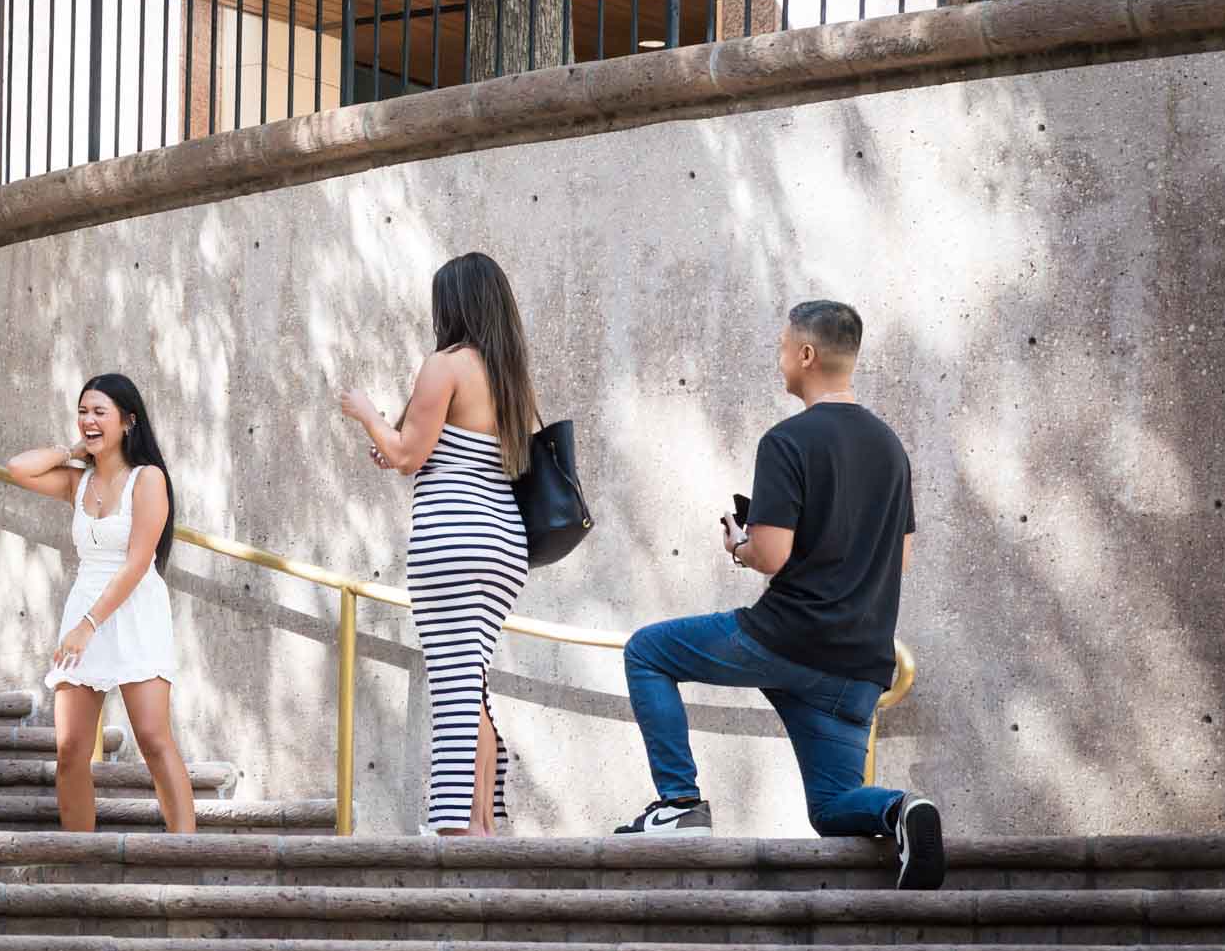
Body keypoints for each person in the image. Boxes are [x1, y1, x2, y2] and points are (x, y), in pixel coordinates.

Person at [616, 300, 944, 889]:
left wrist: (739, 543)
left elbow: (772, 555)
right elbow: (902, 557)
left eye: (782, 346)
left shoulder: (787, 442)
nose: (780, 357)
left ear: (807, 354)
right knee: (833, 805)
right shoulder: (891, 448)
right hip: (858, 666)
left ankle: (679, 803)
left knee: (647, 652)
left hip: (785, 639)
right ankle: (902, 809)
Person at [339, 252, 535, 836]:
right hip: (503, 542)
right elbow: (441, 453)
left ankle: (456, 828)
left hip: (452, 538)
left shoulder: (445, 366)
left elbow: (405, 455)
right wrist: (398, 443)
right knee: (471, 681)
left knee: (452, 684)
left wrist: (368, 415)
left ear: (451, 303)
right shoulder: (511, 378)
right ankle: (483, 824)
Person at [6, 374, 197, 834]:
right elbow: (18, 467)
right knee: (71, 747)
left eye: (100, 413)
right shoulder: (79, 482)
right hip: (84, 606)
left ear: (128, 421)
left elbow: (136, 563)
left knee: (152, 737)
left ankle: (187, 851)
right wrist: (73, 450)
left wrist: (89, 624)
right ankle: (79, 858)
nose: (89, 420)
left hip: (133, 609)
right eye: (83, 411)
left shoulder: (147, 479)